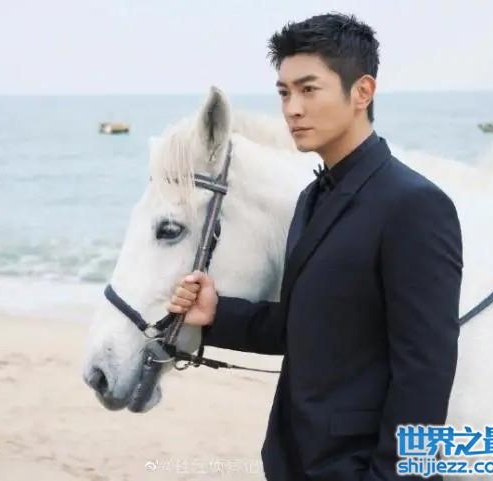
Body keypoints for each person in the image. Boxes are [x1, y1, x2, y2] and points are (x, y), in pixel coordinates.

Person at [167, 12, 463, 481]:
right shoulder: (311, 198)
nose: (292, 109)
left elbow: (425, 370)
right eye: (284, 93)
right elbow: (302, 329)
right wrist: (216, 314)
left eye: (309, 89)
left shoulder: (415, 205)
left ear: (362, 92)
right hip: (294, 459)